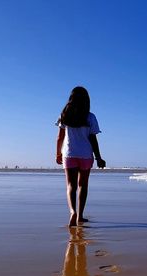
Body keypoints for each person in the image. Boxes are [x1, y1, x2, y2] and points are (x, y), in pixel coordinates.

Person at [56, 86, 106, 227]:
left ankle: (72, 212)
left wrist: (58, 153)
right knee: (83, 185)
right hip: (85, 155)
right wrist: (99, 157)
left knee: (71, 185)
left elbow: (60, 137)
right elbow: (93, 139)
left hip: (69, 154)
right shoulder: (90, 117)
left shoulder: (64, 115)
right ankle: (80, 216)